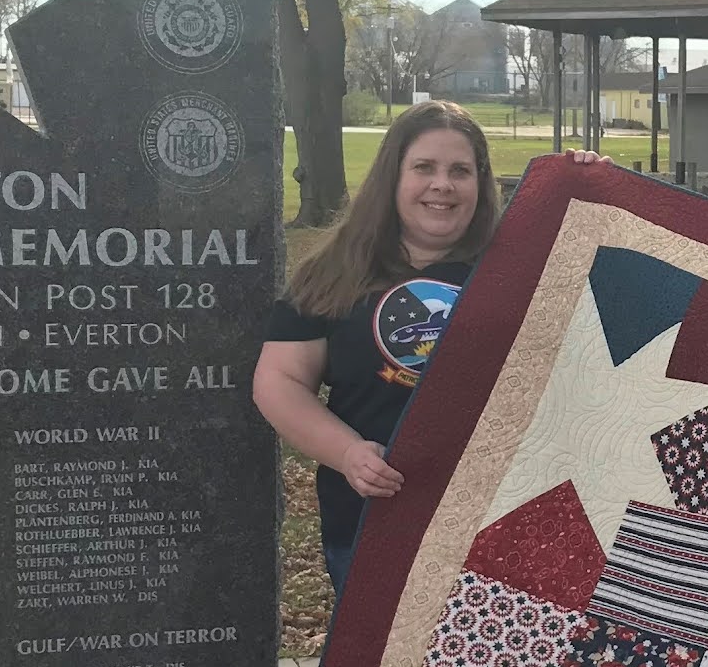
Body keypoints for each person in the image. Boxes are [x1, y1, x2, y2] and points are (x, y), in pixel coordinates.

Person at [254, 100, 602, 600]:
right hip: (374, 523)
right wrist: (348, 453)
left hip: (500, 520)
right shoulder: (332, 272)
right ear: (392, 177)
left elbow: (612, 293)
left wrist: (595, 190)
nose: (443, 184)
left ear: (480, 185)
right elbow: (279, 382)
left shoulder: (529, 264)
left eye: (460, 170)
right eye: (424, 168)